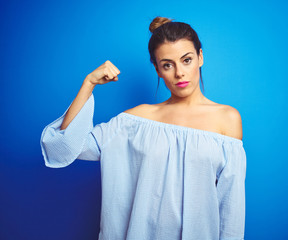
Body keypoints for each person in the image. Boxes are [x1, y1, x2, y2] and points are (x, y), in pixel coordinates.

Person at [40, 16, 247, 240]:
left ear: (200, 57)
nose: (179, 73)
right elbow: (63, 146)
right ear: (158, 69)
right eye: (168, 64)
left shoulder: (227, 118)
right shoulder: (136, 121)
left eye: (186, 60)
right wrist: (88, 84)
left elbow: (231, 208)